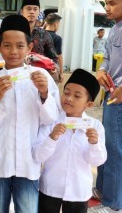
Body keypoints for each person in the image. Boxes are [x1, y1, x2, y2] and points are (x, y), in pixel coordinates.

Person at [0, 14, 60, 213]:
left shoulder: (41, 78)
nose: (13, 51)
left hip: (28, 162)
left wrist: (44, 93)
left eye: (20, 46)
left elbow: (50, 119)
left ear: (29, 47)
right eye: (7, 45)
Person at [34, 68, 106, 213]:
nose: (69, 98)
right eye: (66, 92)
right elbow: (38, 156)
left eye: (77, 95)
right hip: (50, 187)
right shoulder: (52, 121)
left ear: (89, 104)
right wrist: (52, 138)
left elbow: (97, 161)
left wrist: (94, 144)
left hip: (78, 191)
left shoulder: (95, 126)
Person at [93, 0, 122, 213]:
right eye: (106, 2)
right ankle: (103, 191)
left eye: (113, 2)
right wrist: (101, 70)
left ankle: (112, 204)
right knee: (106, 143)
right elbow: (107, 57)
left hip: (119, 98)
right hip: (111, 95)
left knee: (114, 149)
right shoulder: (114, 29)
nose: (107, 7)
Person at [20, 0, 58, 65]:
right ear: (22, 11)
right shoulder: (15, 32)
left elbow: (54, 58)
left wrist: (54, 68)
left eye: (35, 9)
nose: (32, 12)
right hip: (17, 72)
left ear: (39, 12)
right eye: (28, 9)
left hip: (39, 73)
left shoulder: (44, 34)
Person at [44, 13, 63, 82]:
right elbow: (59, 56)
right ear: (55, 24)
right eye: (59, 24)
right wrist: (61, 73)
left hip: (37, 66)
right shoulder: (57, 38)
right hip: (52, 69)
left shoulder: (38, 34)